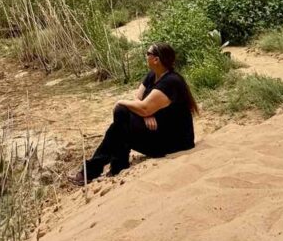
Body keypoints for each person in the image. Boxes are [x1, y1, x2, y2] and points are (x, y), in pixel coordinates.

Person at [73, 42, 199, 184]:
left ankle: (101, 169)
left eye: (148, 54)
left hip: (174, 143)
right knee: (121, 122)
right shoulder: (153, 75)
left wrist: (122, 102)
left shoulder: (171, 82)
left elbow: (143, 107)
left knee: (120, 118)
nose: (146, 56)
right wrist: (147, 113)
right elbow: (138, 100)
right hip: (157, 132)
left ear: (156, 59)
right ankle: (111, 167)